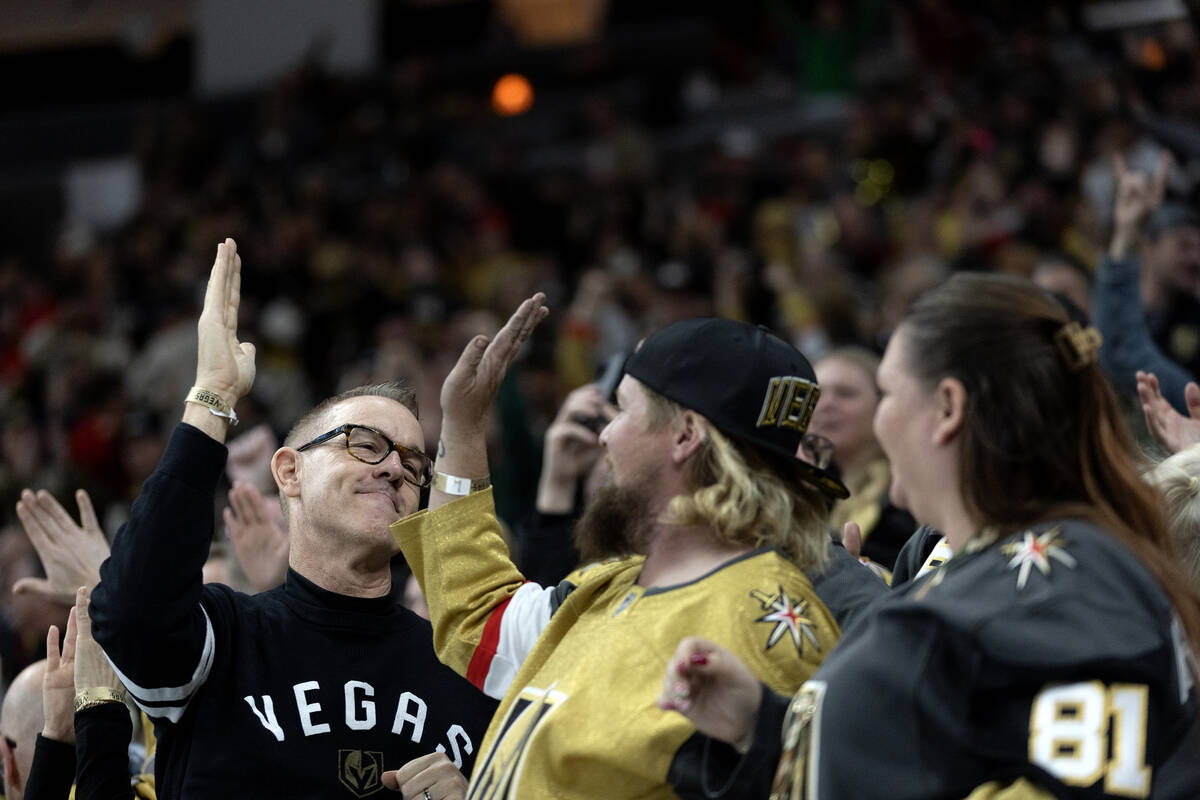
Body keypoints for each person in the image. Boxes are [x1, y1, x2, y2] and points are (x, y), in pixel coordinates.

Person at [658, 273, 1200, 799]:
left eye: (887, 393)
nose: (878, 423)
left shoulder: (1075, 595)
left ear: (947, 408)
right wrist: (760, 722)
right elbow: (934, 760)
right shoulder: (1016, 569)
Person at [87, 239, 521, 799]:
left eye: (415, 465)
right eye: (365, 444)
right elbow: (130, 613)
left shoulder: (467, 667)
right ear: (288, 473)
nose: (394, 468)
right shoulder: (223, 636)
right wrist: (212, 398)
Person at [393, 316, 852, 798]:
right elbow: (478, 616)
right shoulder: (608, 584)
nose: (605, 435)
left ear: (685, 436)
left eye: (624, 411)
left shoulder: (770, 624)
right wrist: (464, 429)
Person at [1095, 152, 1199, 412]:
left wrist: (1126, 232)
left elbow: (1125, 352)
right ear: (1148, 247)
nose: (1196, 258)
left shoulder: (1195, 316)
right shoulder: (1100, 308)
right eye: (1184, 246)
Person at [808, 347, 915, 570]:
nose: (825, 404)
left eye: (845, 393)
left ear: (882, 404)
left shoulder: (903, 494)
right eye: (815, 394)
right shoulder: (810, 488)